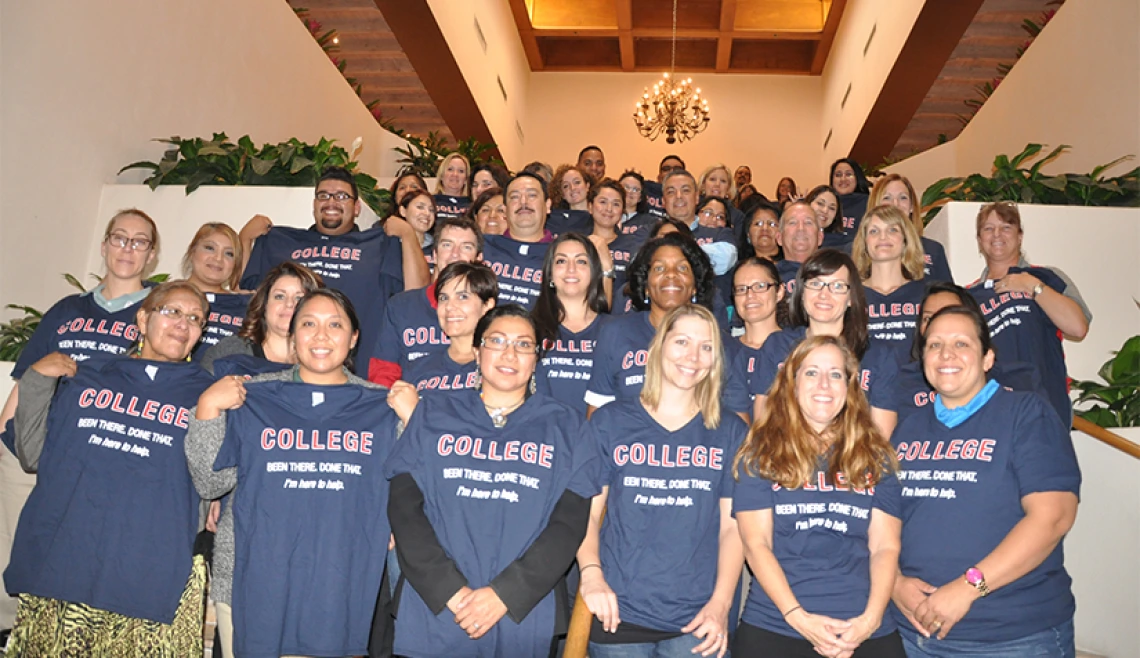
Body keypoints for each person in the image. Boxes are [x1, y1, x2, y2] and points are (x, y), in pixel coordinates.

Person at [187, 288, 403, 658]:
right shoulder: (250, 396)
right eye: (308, 324)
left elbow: (412, 489)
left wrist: (411, 421)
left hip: (335, 588)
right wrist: (207, 408)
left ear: (353, 338)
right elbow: (210, 483)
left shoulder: (385, 408)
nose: (321, 336)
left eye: (335, 325)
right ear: (293, 335)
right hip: (250, 582)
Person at [4, 281, 215, 655]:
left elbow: (212, 479)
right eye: (173, 312)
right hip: (65, 564)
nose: (184, 324)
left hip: (145, 573)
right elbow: (32, 455)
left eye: (195, 318)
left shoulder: (208, 395)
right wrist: (36, 380)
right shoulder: (87, 375)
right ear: (143, 319)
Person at [385, 305, 598, 657]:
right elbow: (405, 508)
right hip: (436, 606)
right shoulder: (432, 412)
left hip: (522, 611)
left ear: (536, 358)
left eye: (523, 344)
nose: (510, 354)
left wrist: (505, 595)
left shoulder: (568, 426)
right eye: (496, 341)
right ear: (477, 351)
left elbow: (569, 523)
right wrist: (450, 591)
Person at [0, 209, 160, 630]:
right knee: (11, 541)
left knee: (67, 546)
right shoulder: (66, 309)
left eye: (139, 241)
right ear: (105, 245)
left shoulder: (157, 314)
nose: (127, 248)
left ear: (151, 254)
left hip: (92, 454)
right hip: (33, 439)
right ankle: (7, 629)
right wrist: (2, 432)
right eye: (119, 238)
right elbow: (26, 377)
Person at [890, 304, 1080, 656]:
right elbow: (883, 522)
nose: (946, 354)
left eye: (961, 344)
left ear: (988, 358)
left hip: (1013, 637)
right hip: (915, 634)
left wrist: (968, 588)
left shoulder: (1027, 414)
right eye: (935, 344)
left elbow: (1053, 517)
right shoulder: (907, 429)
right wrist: (894, 583)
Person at [578, 304, 748, 658]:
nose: (693, 356)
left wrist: (721, 604)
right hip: (617, 613)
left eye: (706, 347)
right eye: (682, 341)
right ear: (659, 346)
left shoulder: (730, 432)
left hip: (699, 619)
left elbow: (732, 528)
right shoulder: (609, 422)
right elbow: (587, 514)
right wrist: (592, 575)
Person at [733, 335, 905, 657]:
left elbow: (885, 546)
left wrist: (869, 621)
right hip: (777, 624)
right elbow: (756, 545)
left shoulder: (876, 456)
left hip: (865, 627)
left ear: (849, 387)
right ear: (792, 384)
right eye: (811, 372)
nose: (824, 384)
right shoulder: (760, 453)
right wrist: (798, 617)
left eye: (835, 374)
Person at [238, 166, 429, 373]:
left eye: (341, 196)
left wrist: (408, 235)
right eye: (323, 195)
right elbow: (244, 294)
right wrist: (244, 239)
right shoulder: (281, 244)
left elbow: (416, 294)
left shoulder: (378, 246)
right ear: (314, 204)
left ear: (356, 207)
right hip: (285, 373)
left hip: (354, 374)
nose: (331, 202)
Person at [585, 233, 751, 421]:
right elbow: (597, 420)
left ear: (695, 285)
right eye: (659, 268)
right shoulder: (615, 333)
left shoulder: (723, 345)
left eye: (682, 268)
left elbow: (739, 428)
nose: (671, 274)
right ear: (646, 286)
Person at [750, 249, 898, 440]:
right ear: (802, 292)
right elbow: (763, 425)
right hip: (786, 453)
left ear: (851, 298)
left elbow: (881, 437)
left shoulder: (879, 355)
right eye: (815, 284)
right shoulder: (777, 346)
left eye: (837, 286)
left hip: (852, 455)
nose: (823, 294)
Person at [966, 201, 1090, 425]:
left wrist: (1032, 286)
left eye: (1006, 227)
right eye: (988, 228)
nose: (997, 234)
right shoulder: (967, 296)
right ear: (979, 239)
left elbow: (1078, 327)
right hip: (990, 414)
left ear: (1020, 236)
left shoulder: (1046, 276)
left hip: (1045, 407)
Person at [893, 283, 1048, 426]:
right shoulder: (900, 383)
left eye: (951, 312)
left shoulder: (1020, 380)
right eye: (928, 318)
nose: (940, 323)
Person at [368, 216, 484, 386]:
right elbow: (383, 371)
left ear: (479, 258)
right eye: (447, 245)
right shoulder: (400, 306)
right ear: (434, 255)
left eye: (466, 247)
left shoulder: (488, 310)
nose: (455, 254)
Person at [532, 234, 611, 416]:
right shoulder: (530, 328)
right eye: (561, 261)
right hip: (543, 430)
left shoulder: (614, 331)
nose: (571, 269)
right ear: (549, 273)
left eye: (581, 261)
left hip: (600, 431)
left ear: (594, 271)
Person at [200, 262, 323, 377]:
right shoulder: (230, 350)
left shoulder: (324, 360)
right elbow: (198, 390)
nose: (289, 304)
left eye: (299, 298)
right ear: (264, 305)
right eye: (280, 296)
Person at [400, 262, 498, 393]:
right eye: (443, 298)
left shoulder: (501, 365)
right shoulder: (417, 368)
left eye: (463, 297)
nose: (449, 306)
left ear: (487, 305)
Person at [852, 204, 926, 362]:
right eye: (874, 231)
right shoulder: (850, 296)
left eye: (892, 230)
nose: (883, 237)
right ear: (864, 243)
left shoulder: (926, 295)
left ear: (905, 240)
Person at [482, 173, 554, 309]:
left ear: (547, 205)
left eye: (532, 195)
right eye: (514, 197)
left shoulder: (562, 255)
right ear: (505, 210)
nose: (523, 202)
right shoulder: (481, 247)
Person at [182, 223, 250, 361]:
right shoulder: (163, 297)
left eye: (229, 254)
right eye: (210, 248)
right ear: (192, 251)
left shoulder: (246, 306)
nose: (218, 258)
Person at [869, 174, 953, 283]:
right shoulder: (861, 248)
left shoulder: (933, 249)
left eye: (903, 198)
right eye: (887, 198)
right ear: (875, 205)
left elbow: (948, 291)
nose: (895, 204)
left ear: (912, 206)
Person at [662, 170, 737, 277]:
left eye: (685, 190)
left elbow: (724, 259)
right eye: (671, 192)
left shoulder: (721, 233)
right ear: (663, 202)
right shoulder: (648, 231)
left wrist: (667, 252)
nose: (679, 196)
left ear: (697, 198)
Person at [730, 257, 787, 397]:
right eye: (741, 289)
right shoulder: (725, 350)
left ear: (779, 292)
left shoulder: (797, 347)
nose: (750, 295)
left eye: (760, 286)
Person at [775, 201, 824, 293]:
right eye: (792, 223)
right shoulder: (768, 278)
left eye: (808, 222)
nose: (801, 228)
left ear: (820, 237)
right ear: (779, 238)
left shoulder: (834, 276)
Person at [699, 164, 746, 245]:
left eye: (723, 181)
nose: (717, 184)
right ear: (703, 184)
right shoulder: (691, 209)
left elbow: (738, 245)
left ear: (728, 188)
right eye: (712, 179)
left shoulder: (738, 217)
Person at [549, 164, 595, 236]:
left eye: (577, 182)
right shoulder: (554, 221)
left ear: (587, 186)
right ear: (562, 194)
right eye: (566, 186)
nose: (572, 188)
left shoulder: (601, 216)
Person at [830, 159, 871, 238]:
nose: (843, 179)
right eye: (838, 175)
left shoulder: (869, 202)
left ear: (857, 178)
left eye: (848, 174)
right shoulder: (824, 204)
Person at [397, 188, 438, 265]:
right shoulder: (390, 245)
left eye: (431, 210)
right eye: (420, 207)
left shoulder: (437, 247)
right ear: (403, 211)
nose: (427, 213)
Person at [806, 184, 850, 249]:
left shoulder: (844, 245)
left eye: (831, 208)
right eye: (820, 203)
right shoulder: (792, 236)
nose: (825, 211)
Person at [434, 152, 472, 219]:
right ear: (441, 175)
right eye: (450, 169)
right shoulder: (430, 201)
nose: (455, 174)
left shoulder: (473, 205)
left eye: (461, 171)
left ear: (466, 179)